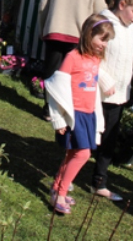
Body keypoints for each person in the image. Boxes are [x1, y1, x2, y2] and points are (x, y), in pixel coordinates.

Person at [45, 14, 115, 214]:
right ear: (89, 34)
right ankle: (60, 193)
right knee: (83, 154)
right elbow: (55, 88)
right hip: (74, 115)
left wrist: (107, 84)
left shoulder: (95, 58)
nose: (104, 45)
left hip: (88, 114)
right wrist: (58, 119)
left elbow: (96, 74)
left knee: (73, 153)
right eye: (102, 39)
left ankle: (57, 187)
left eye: (107, 41)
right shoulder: (72, 57)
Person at [92, 0, 133, 201]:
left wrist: (125, 85)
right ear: (122, 5)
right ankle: (66, 178)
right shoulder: (103, 23)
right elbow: (90, 54)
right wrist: (104, 80)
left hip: (118, 95)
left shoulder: (131, 28)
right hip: (97, 93)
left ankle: (100, 182)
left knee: (109, 140)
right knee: (88, 138)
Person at [39, 0, 107, 119]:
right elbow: (101, 13)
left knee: (52, 71)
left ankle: (49, 108)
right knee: (73, 74)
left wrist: (43, 28)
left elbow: (43, 7)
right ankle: (67, 108)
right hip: (78, 36)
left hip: (54, 31)